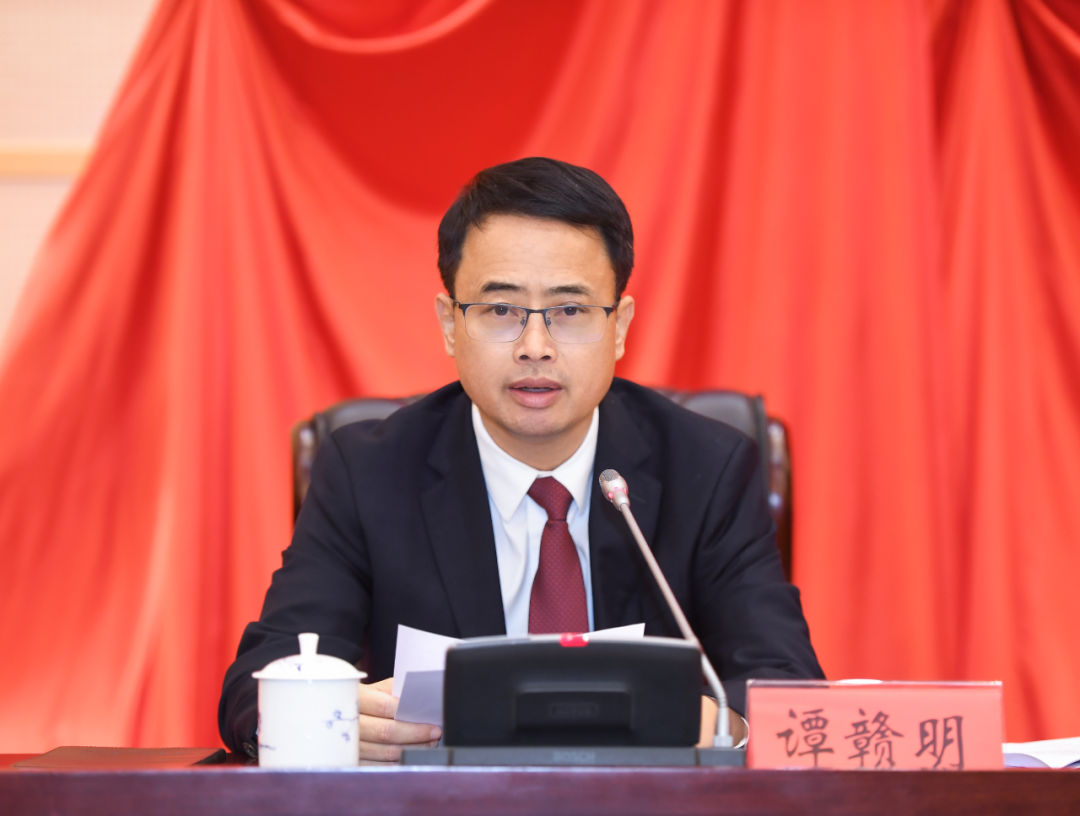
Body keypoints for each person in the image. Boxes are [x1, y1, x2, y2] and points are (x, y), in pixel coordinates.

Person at [218, 157, 823, 760]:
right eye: (501, 310)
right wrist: (323, 716)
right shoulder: (368, 473)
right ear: (450, 324)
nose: (536, 347)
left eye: (570, 311)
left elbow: (785, 688)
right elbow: (259, 684)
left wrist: (725, 725)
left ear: (619, 327)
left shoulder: (707, 468)